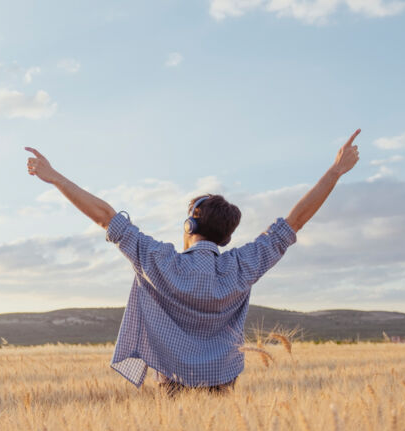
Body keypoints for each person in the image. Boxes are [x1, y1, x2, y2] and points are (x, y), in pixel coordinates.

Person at [24, 129, 360, 396]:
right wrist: (335, 170)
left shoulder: (157, 259)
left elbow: (105, 217)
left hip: (171, 380)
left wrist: (55, 178)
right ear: (226, 237)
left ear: (189, 225)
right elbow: (295, 221)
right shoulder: (243, 265)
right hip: (224, 379)